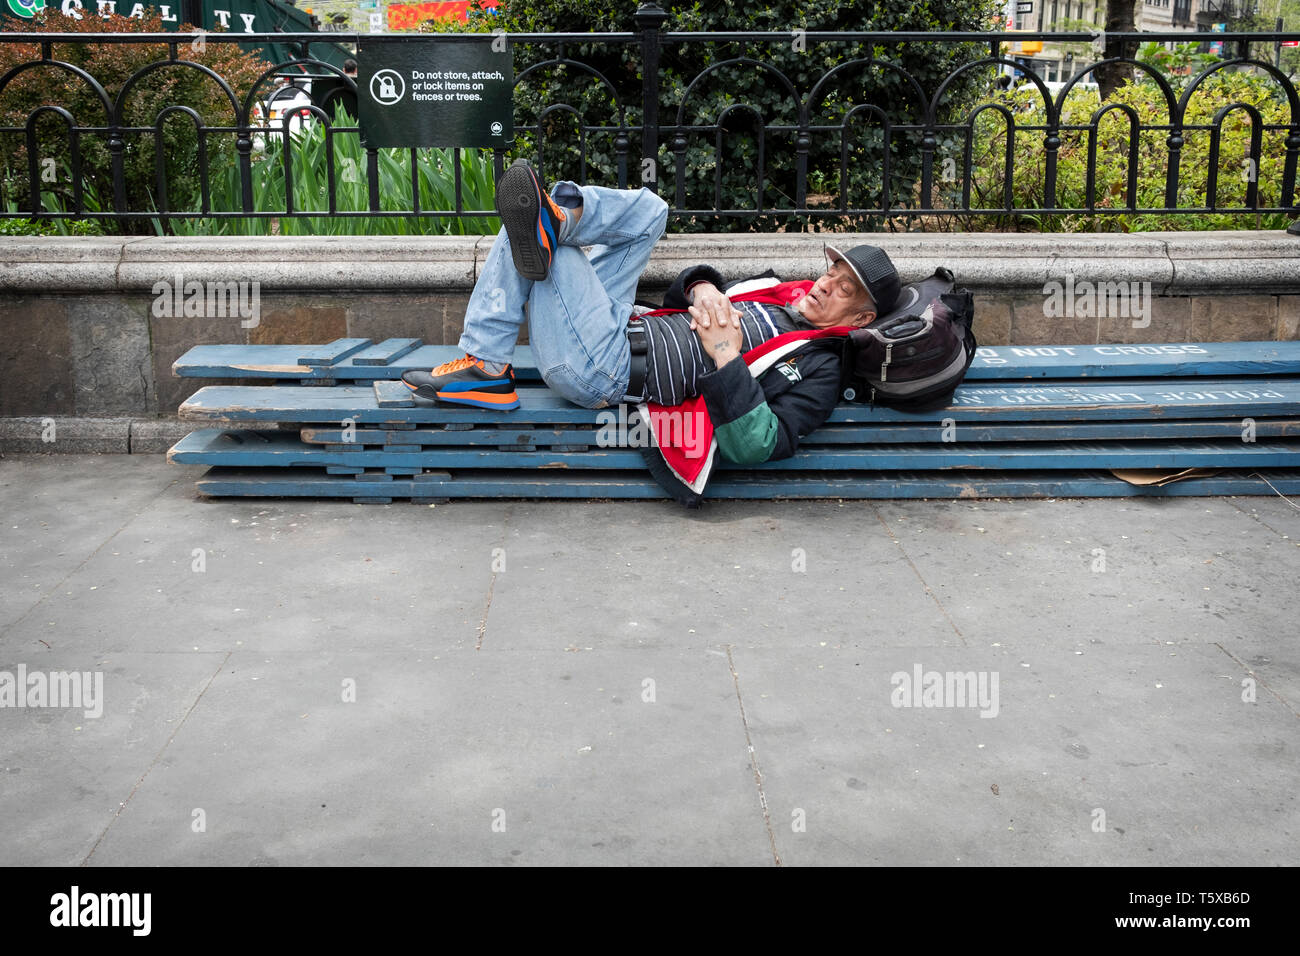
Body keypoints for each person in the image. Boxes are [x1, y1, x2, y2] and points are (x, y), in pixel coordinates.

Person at [402, 161, 901, 501]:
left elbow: (758, 445)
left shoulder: (822, 369)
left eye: (843, 289)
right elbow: (682, 294)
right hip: (620, 322)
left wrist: (727, 357)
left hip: (603, 367)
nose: (824, 285)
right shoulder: (779, 294)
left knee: (547, 243)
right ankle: (560, 217)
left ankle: (487, 363)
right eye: (830, 273)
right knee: (650, 211)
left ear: (859, 320)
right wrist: (704, 286)